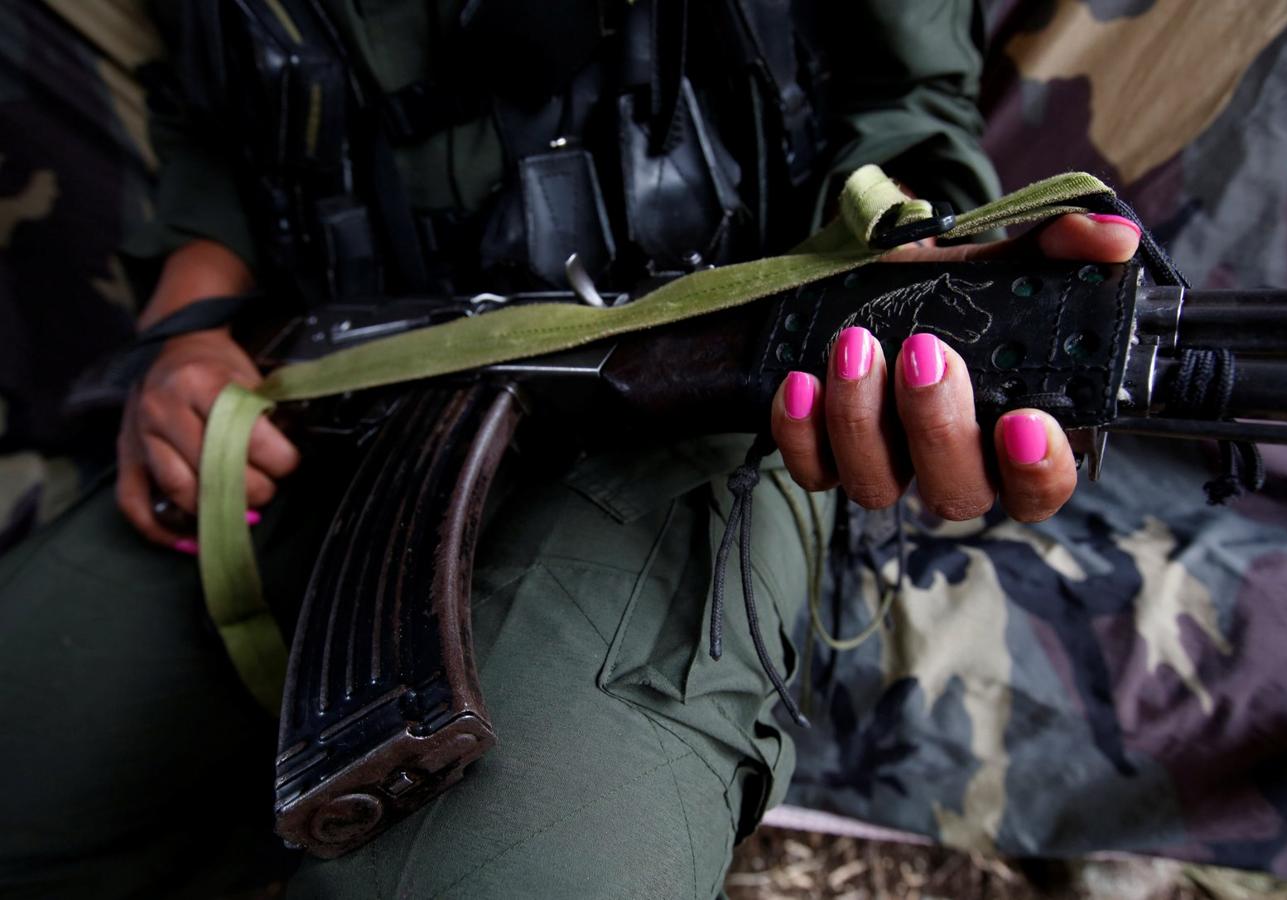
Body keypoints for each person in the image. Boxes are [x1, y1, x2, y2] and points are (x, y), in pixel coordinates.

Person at [0, 1, 1142, 896]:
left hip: (682, 410)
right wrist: (189, 339)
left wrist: (931, 282)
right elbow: (211, 139)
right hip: (315, 397)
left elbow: (904, 118)